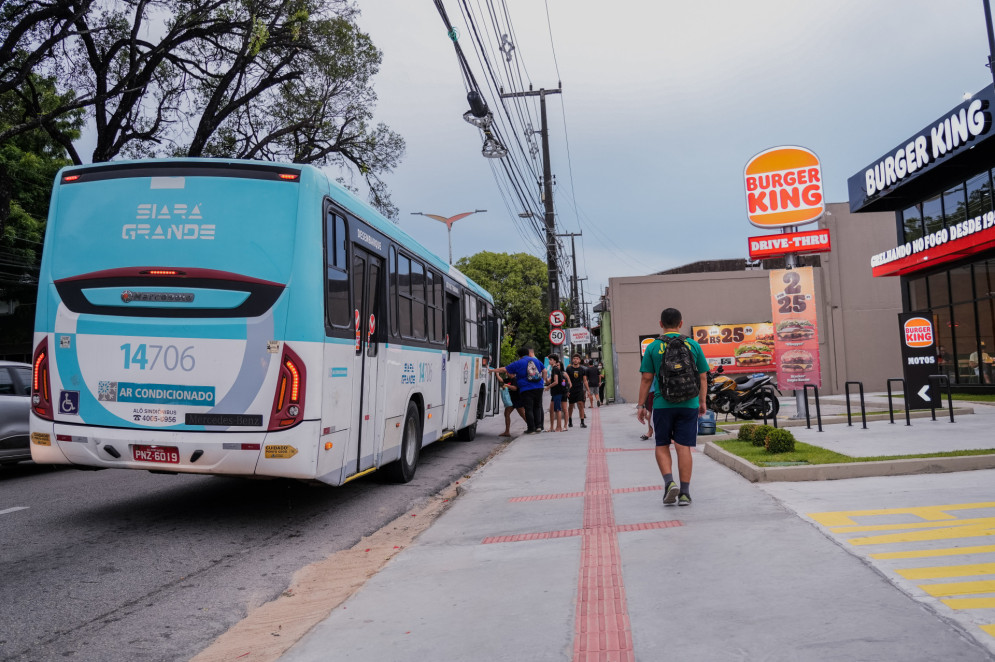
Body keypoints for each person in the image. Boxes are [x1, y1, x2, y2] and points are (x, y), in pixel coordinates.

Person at [636, 308, 709, 507]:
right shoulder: (693, 345)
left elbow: (646, 378)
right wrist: (702, 402)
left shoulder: (653, 347)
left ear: (661, 324)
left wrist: (641, 405)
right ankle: (685, 493)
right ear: (680, 323)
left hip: (662, 403)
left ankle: (669, 483)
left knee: (662, 444)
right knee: (683, 446)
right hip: (689, 403)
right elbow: (702, 377)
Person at [495, 347, 546, 434]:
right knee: (537, 406)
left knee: (528, 408)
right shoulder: (536, 360)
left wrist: (493, 370)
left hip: (526, 388)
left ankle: (531, 429)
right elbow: (544, 371)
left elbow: (504, 369)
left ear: (519, 355)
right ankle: (538, 426)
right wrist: (543, 382)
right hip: (539, 386)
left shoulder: (519, 362)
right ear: (528, 353)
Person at [546, 354, 570, 432]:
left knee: (558, 409)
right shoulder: (553, 369)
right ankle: (552, 427)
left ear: (554, 361)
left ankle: (559, 427)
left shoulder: (555, 369)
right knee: (552, 409)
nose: (549, 361)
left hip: (557, 392)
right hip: (555, 392)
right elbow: (549, 381)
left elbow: (556, 382)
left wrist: (548, 387)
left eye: (550, 360)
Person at [498, 372, 525, 437]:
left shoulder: (515, 379)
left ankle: (531, 427)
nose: (506, 374)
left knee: (523, 415)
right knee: (506, 413)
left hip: (518, 399)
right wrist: (497, 374)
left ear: (512, 373)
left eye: (508, 373)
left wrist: (507, 386)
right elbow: (502, 381)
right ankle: (507, 432)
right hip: (511, 400)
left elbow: (515, 388)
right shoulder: (509, 379)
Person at [565, 354, 589, 428]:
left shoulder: (582, 370)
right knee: (571, 405)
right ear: (572, 360)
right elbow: (565, 380)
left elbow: (585, 381)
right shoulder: (569, 369)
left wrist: (588, 390)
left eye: (577, 358)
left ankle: (582, 422)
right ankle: (570, 420)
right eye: (574, 358)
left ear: (579, 360)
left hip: (579, 389)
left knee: (580, 404)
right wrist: (566, 390)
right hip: (571, 390)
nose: (575, 360)